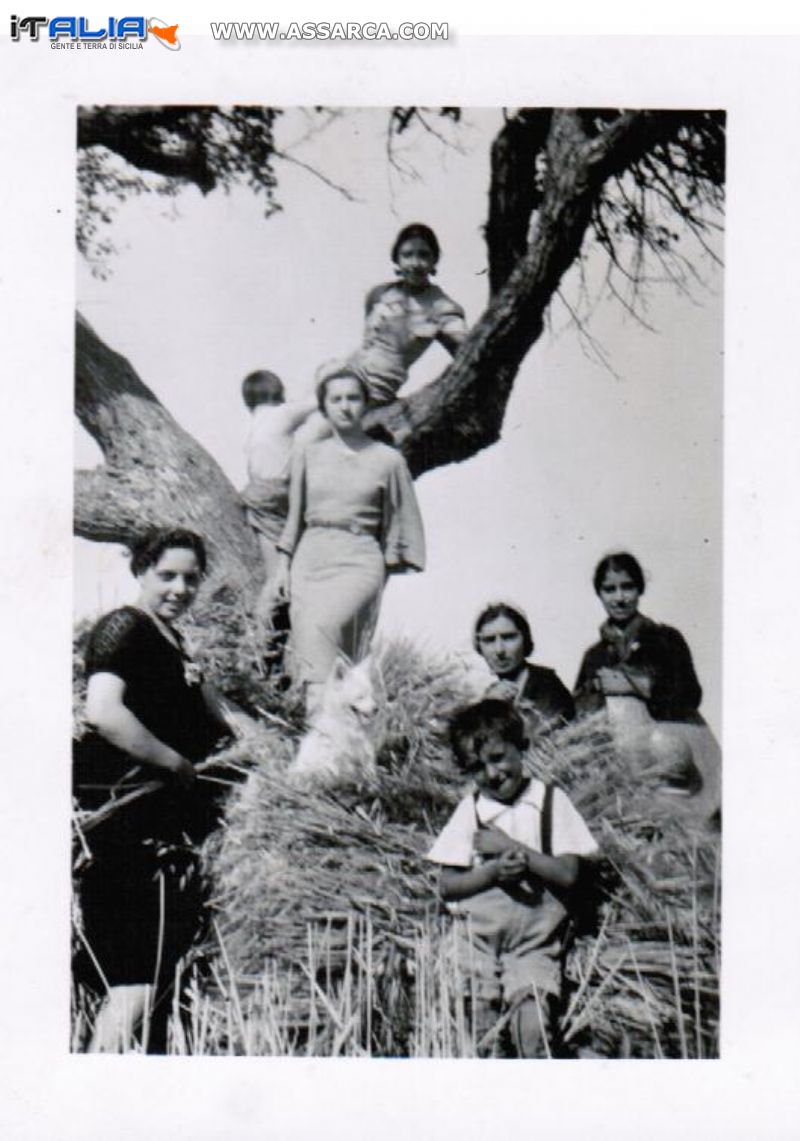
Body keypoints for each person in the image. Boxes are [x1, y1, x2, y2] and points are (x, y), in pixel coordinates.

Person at [72, 528, 253, 1052]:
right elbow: (103, 711)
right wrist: (174, 761)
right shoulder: (124, 627)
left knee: (153, 978)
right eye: (166, 575)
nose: (180, 588)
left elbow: (220, 709)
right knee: (135, 980)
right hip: (132, 827)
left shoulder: (178, 641)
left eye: (190, 578)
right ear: (140, 571)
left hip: (167, 827)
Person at [426, 700, 598, 1058]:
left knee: (532, 1028)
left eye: (499, 757)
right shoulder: (471, 810)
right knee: (477, 1023)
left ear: (522, 747)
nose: (491, 774)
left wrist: (515, 849)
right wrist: (491, 873)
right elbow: (448, 885)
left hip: (533, 943)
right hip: (476, 941)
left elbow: (568, 875)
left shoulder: (550, 802)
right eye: (477, 768)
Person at [268, 367, 425, 713]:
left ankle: (325, 735)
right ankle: (321, 742)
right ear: (324, 406)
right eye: (335, 399)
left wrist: (384, 572)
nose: (345, 406)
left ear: (366, 403)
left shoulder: (389, 460)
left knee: (328, 627)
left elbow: (401, 522)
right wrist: (282, 567)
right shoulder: (307, 454)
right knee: (312, 654)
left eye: (353, 398)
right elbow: (294, 517)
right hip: (310, 559)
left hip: (359, 559)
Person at [342, 222, 468, 407]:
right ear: (397, 260)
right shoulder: (379, 293)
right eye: (407, 255)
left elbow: (469, 353)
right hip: (345, 373)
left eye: (424, 255)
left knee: (310, 432)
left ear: (434, 261)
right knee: (288, 415)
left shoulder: (444, 309)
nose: (415, 264)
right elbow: (368, 343)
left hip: (375, 390)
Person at [573, 552, 702, 722]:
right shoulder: (595, 656)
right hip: (614, 745)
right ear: (600, 594)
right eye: (609, 589)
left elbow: (691, 697)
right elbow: (577, 712)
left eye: (627, 587)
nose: (619, 598)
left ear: (640, 589)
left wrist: (635, 685)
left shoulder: (666, 640)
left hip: (665, 742)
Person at [240, 370, 317, 581]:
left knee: (269, 531)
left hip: (259, 489)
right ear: (278, 393)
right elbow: (314, 402)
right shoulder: (282, 413)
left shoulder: (251, 423)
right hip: (281, 488)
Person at [474, 602, 575, 732]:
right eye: (489, 640)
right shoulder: (492, 690)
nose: (499, 650)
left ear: (525, 640)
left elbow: (540, 743)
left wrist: (494, 710)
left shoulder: (546, 685)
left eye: (509, 637)